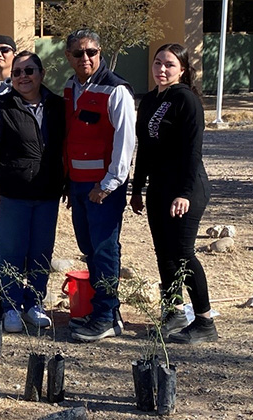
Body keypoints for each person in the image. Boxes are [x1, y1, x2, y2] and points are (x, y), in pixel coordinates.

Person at [130, 43, 217, 344]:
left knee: (182, 254)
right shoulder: (152, 100)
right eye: (157, 63)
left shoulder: (186, 99)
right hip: (159, 187)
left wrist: (184, 193)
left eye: (169, 64)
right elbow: (145, 148)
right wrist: (137, 188)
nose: (162, 69)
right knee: (164, 253)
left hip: (187, 188)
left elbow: (193, 151)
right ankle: (174, 311)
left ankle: (204, 321)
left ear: (182, 68)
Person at [0, 51, 65, 332]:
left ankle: (34, 304)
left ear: (41, 74)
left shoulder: (58, 106)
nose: (23, 77)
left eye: (29, 71)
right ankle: (11, 306)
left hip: (47, 194)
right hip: (12, 194)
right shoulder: (1, 107)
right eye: (17, 72)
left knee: (41, 253)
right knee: (12, 252)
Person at [62, 29, 136, 342]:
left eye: (91, 52)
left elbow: (125, 141)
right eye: (78, 53)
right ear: (69, 57)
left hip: (102, 187)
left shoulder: (116, 90)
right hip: (77, 185)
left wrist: (109, 183)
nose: (86, 58)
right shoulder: (70, 87)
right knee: (88, 249)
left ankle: (106, 315)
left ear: (100, 51)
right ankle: (101, 310)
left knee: (105, 249)